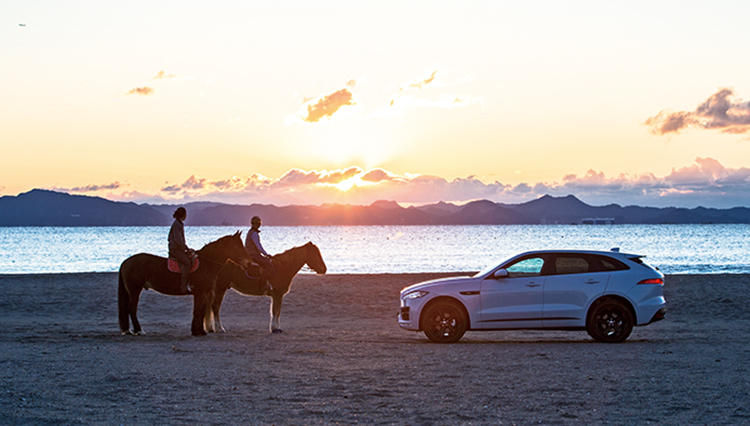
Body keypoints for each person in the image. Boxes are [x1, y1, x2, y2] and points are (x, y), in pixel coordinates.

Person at [168, 207, 194, 294]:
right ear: (182, 215)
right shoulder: (177, 224)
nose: (186, 216)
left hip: (179, 248)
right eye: (185, 214)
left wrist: (187, 248)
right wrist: (185, 249)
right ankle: (183, 287)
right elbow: (178, 240)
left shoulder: (179, 224)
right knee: (187, 263)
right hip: (175, 249)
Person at [245, 216, 274, 292]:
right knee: (269, 265)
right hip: (254, 255)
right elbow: (258, 246)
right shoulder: (254, 233)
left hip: (249, 254)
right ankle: (263, 285)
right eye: (258, 223)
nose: (258, 225)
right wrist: (266, 254)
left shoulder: (250, 232)